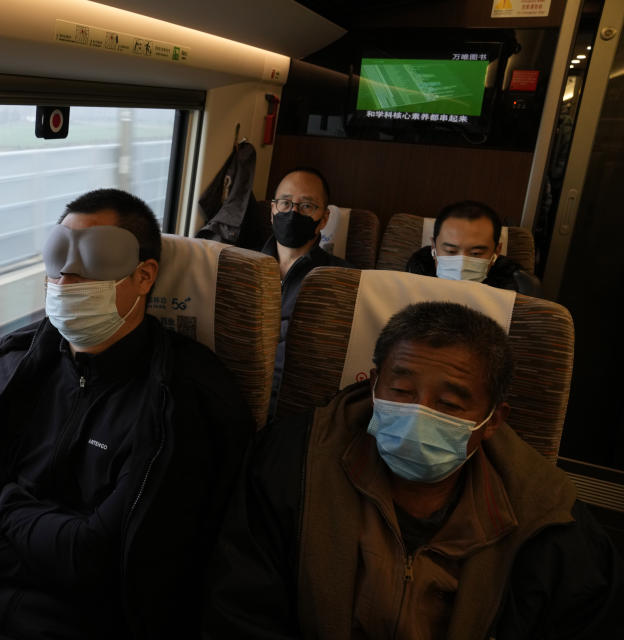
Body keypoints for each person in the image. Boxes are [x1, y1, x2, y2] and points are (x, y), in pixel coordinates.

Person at [0, 188, 253, 640]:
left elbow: (100, 558)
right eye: (59, 257)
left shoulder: (187, 398)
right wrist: (40, 562)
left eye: (93, 259)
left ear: (145, 275)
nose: (66, 279)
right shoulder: (18, 363)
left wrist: (8, 504)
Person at [204, 302, 623, 639]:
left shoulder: (548, 519)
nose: (418, 414)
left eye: (449, 404)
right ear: (373, 386)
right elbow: (239, 606)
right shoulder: (293, 461)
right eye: (401, 391)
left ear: (493, 420)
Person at [261, 167, 352, 415]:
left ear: (324, 218)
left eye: (307, 206)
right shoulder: (244, 267)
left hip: (300, 411)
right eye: (285, 203)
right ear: (273, 210)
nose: (293, 212)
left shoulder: (342, 279)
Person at [406, 201, 541, 295]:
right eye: (451, 251)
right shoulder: (415, 273)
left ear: (496, 251)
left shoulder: (514, 286)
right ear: (434, 248)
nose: (462, 264)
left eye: (476, 253)